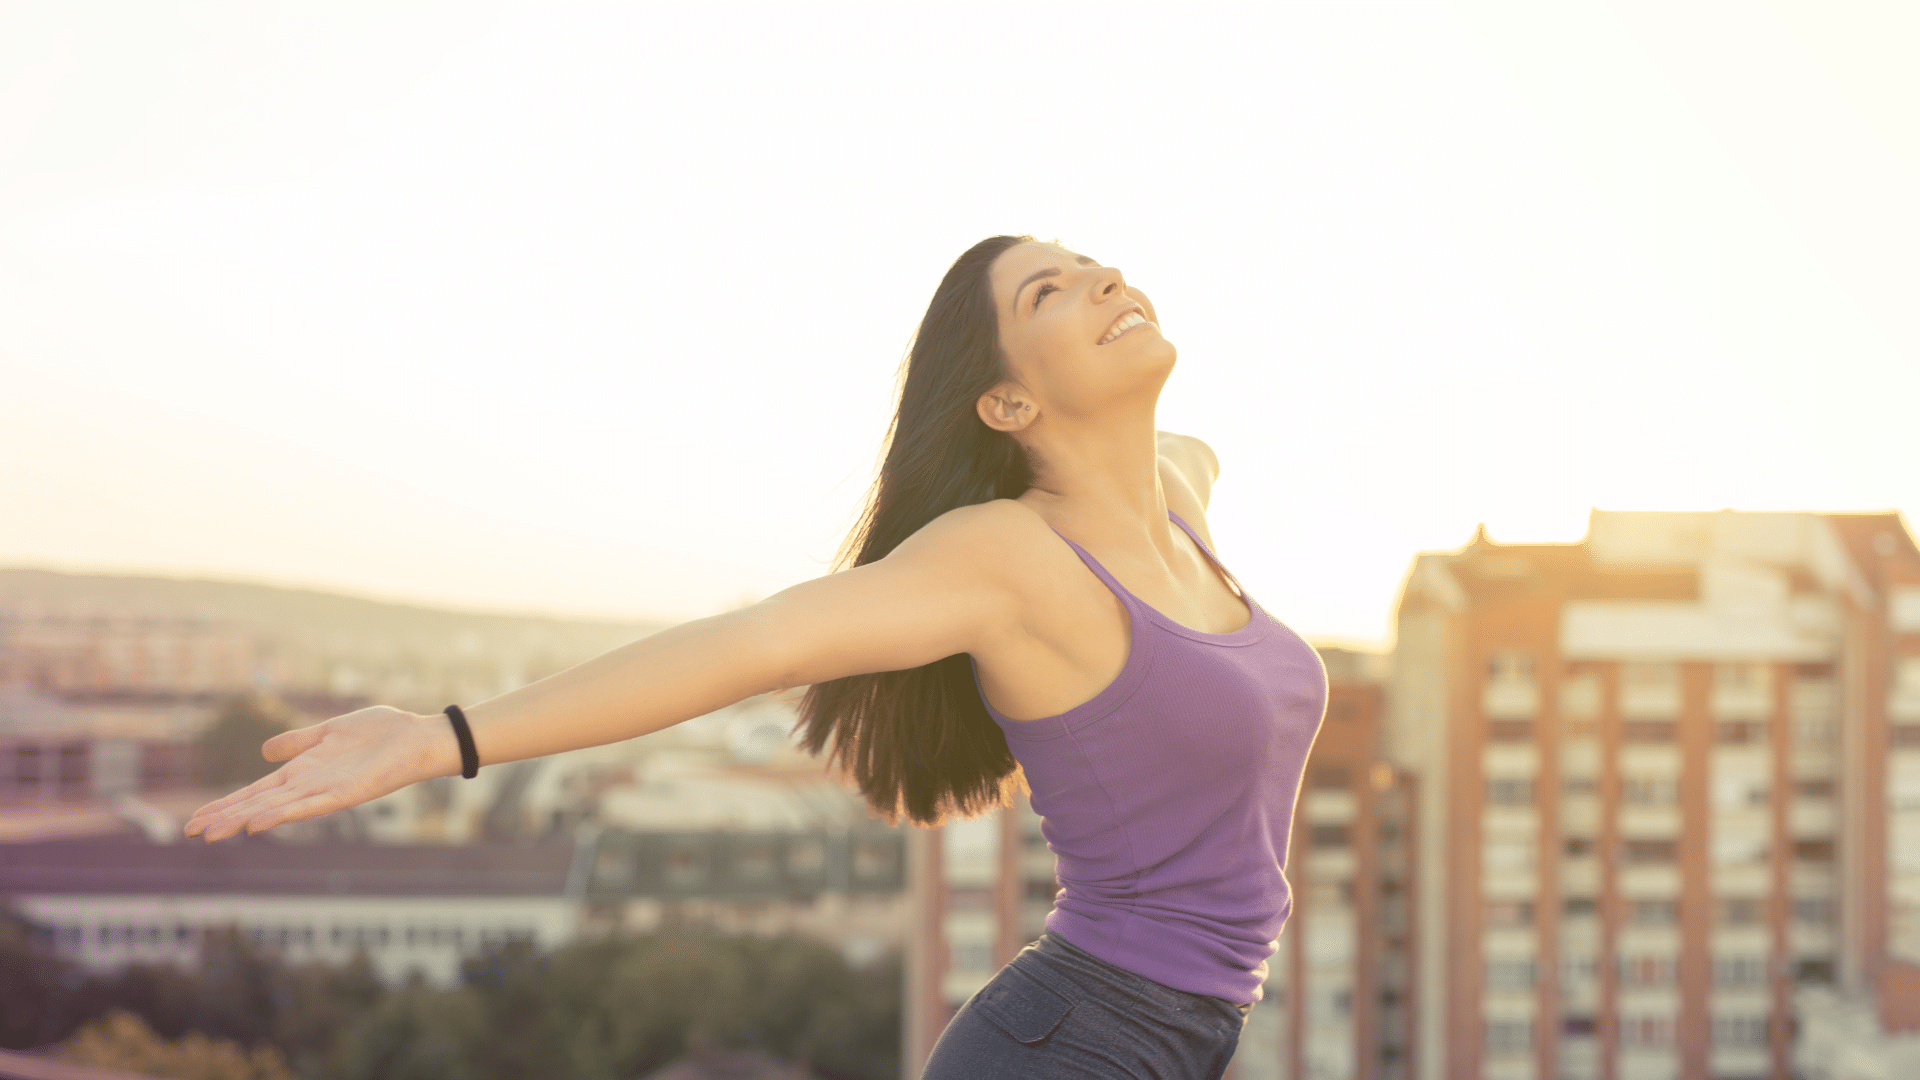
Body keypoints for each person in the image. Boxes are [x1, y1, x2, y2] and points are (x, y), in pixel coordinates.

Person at [184, 234, 1328, 1079]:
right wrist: (446, 737)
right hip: (1080, 1040)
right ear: (1005, 401)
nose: (1103, 278)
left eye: (1091, 264)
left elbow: (1184, 445)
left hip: (1182, 1030)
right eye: (1050, 290)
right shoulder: (1007, 559)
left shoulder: (1179, 498)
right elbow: (755, 644)